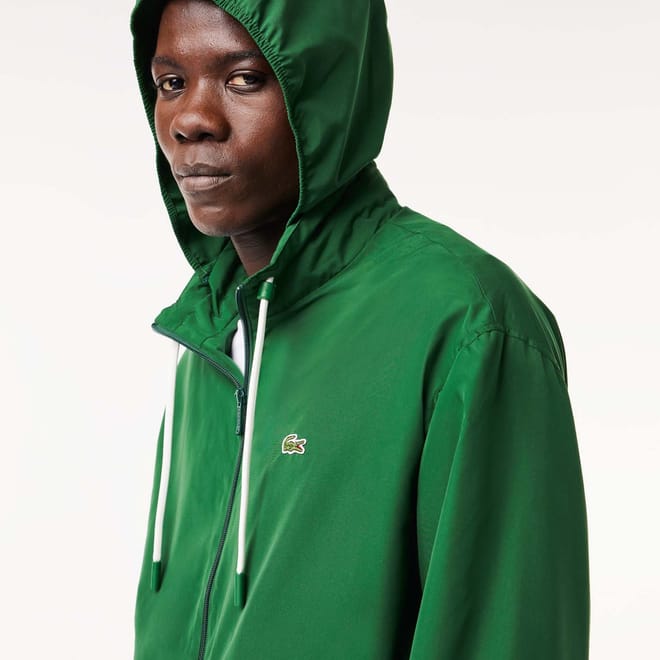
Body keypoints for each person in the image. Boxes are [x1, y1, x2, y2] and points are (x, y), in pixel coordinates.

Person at [130, 0, 590, 658]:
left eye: (244, 79)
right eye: (171, 82)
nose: (191, 120)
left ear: (328, 91)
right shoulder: (209, 332)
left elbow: (503, 635)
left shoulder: (469, 325)